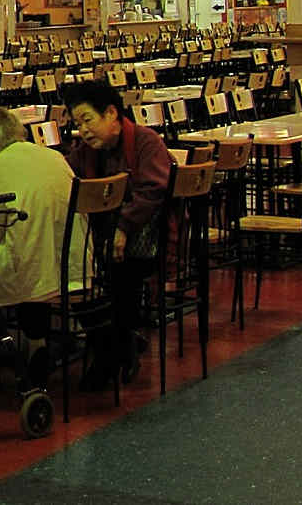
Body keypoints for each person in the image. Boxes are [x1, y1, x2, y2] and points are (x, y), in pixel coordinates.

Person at [63, 79, 171, 389]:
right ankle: (119, 343)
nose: (83, 130)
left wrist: (123, 227)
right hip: (102, 239)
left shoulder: (146, 142)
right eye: (77, 124)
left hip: (147, 237)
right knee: (74, 266)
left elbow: (153, 191)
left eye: (88, 120)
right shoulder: (85, 152)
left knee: (117, 271)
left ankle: (111, 350)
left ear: (111, 113)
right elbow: (66, 177)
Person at [0, 108, 84, 384]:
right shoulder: (54, 156)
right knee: (34, 266)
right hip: (73, 261)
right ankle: (36, 344)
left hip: (33, 266)